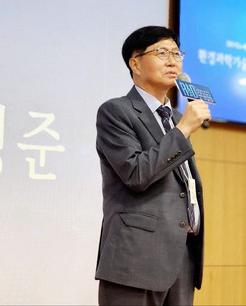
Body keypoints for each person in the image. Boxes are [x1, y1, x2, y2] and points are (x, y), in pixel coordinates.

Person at [95, 25, 210, 305]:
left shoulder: (174, 117)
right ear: (135, 63)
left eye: (176, 53)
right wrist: (182, 132)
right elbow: (136, 173)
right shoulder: (116, 111)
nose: (172, 61)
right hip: (135, 257)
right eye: (161, 53)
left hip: (181, 255)